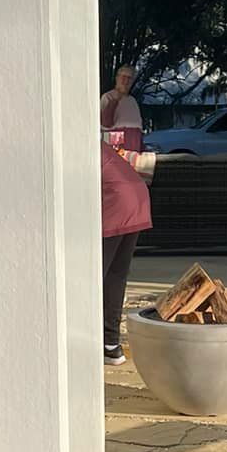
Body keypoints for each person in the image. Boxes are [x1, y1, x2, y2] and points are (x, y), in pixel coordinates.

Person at [100, 140, 151, 362]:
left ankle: (85, 342)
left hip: (116, 200)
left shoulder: (72, 144)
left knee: (91, 277)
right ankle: (111, 344)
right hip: (137, 198)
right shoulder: (96, 144)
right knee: (115, 276)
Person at [99, 66, 144, 155]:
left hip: (134, 145)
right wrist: (114, 101)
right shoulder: (108, 97)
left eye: (129, 78)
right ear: (117, 78)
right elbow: (105, 124)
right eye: (123, 77)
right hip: (117, 145)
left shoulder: (132, 100)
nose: (126, 81)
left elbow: (139, 129)